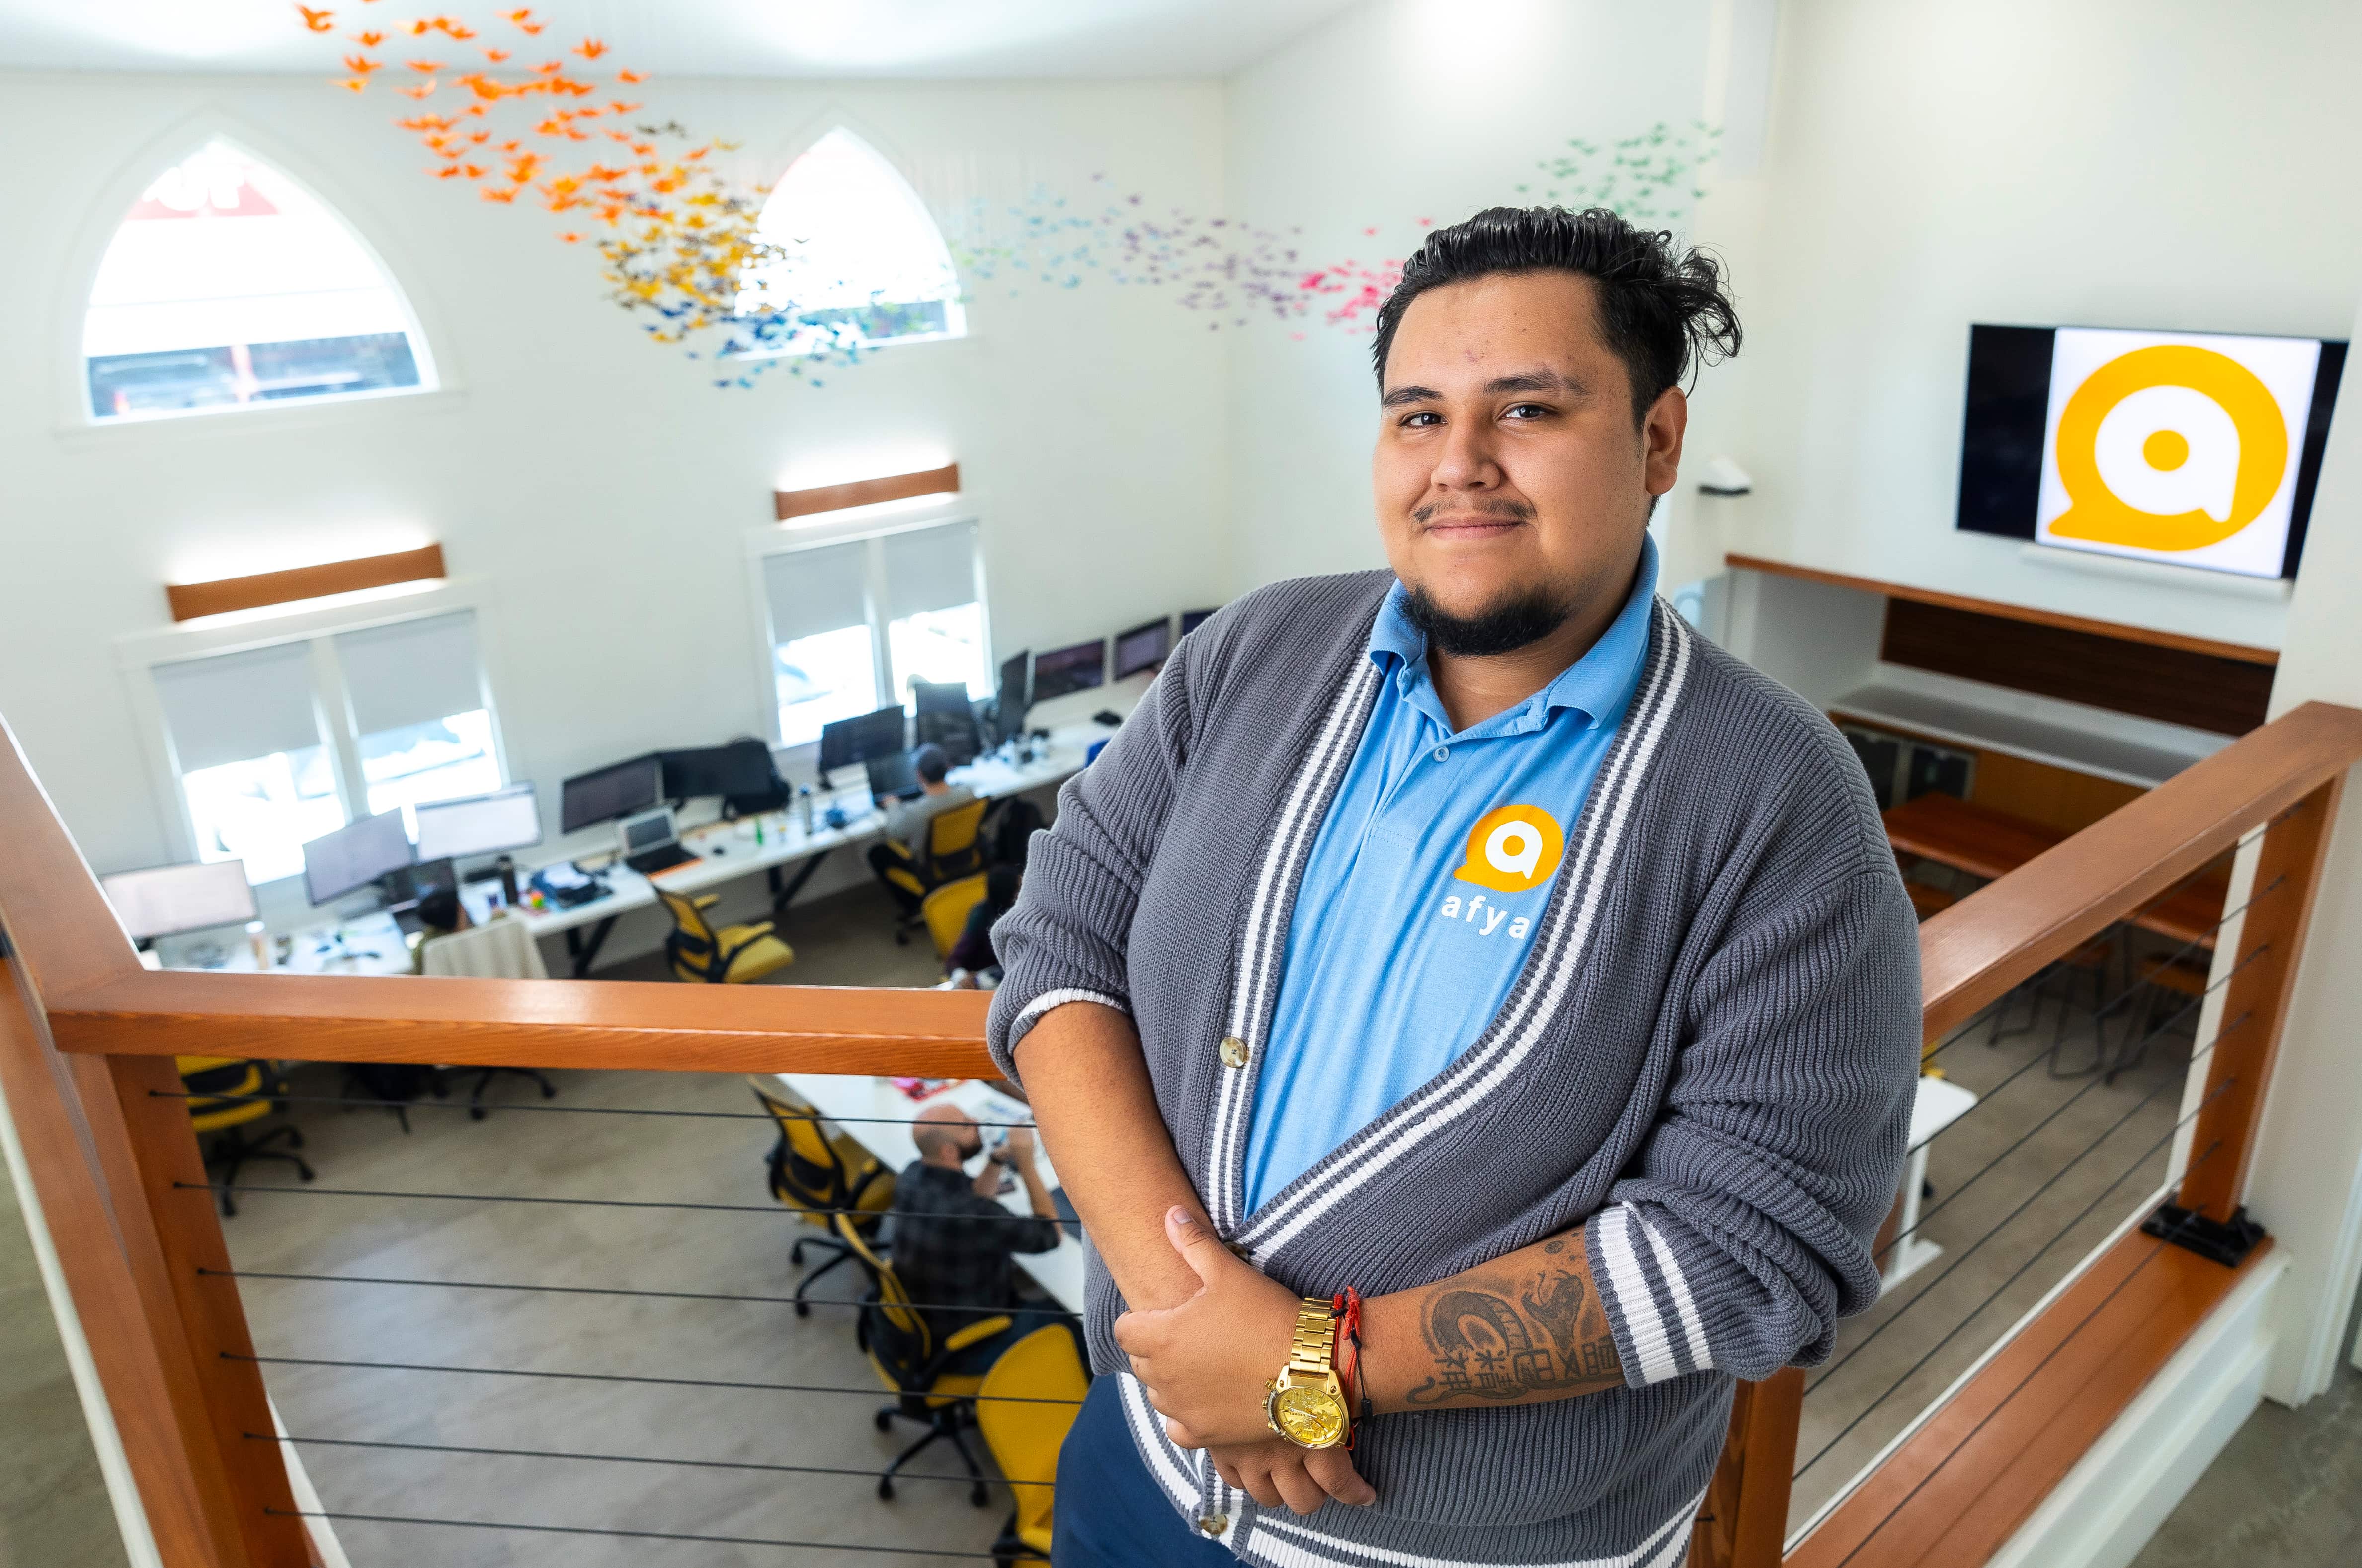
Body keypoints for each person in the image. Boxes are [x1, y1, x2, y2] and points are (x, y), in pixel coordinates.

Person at [984, 205, 1920, 1567]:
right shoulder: (1254, 651)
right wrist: (1196, 1327)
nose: (1459, 463)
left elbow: (1760, 1242)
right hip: (1142, 1459)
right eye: (1417, 416)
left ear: (1658, 441)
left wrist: (1313, 1362)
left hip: (1462, 1548)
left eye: (1528, 409)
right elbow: (1059, 946)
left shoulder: (1775, 793)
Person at [887, 1103, 1071, 1373]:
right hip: (970, 1346)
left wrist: (997, 1160)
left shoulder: (912, 1175)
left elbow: (973, 1198)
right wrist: (1026, 1163)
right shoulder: (975, 1216)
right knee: (1074, 1320)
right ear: (949, 1152)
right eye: (966, 1125)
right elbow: (1051, 1234)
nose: (976, 1122)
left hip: (927, 1322)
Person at [867, 743, 977, 917]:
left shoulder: (916, 811)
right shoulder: (967, 794)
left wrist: (893, 805)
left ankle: (915, 907)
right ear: (948, 768)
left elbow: (894, 832)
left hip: (928, 868)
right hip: (964, 856)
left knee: (877, 853)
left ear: (919, 775)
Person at [945, 864, 1022, 988]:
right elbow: (955, 960)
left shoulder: (1022, 912)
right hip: (988, 981)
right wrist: (960, 976)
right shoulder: (981, 916)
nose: (1021, 894)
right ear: (1007, 892)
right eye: (1017, 890)